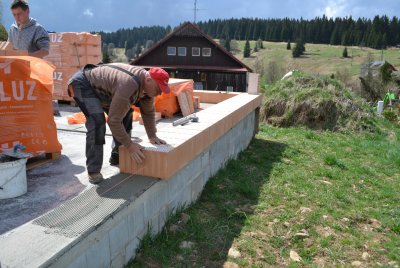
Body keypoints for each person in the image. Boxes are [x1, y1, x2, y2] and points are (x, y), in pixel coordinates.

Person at [68, 63, 170, 184]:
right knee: (97, 122)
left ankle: (117, 155)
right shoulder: (129, 84)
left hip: (104, 89)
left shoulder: (147, 90)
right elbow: (113, 121)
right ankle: (93, 170)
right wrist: (130, 145)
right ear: (148, 80)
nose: (159, 93)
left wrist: (152, 135)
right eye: (158, 89)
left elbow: (148, 113)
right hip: (83, 84)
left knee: (126, 113)